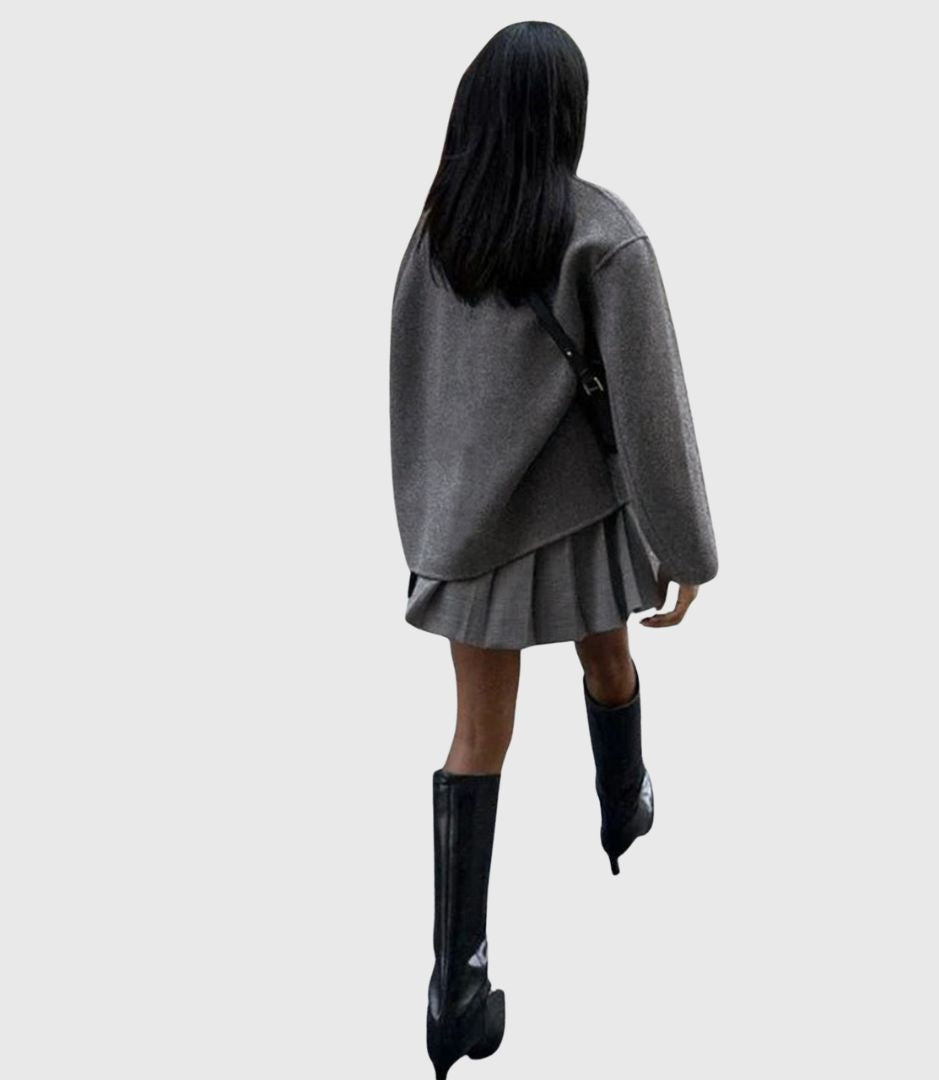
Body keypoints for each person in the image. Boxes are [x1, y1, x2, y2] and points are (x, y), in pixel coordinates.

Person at [389, 21, 718, 1079]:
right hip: (577, 519)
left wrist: (434, 526)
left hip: (474, 536)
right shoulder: (604, 235)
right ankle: (623, 807)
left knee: (476, 736)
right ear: (567, 114)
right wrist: (687, 547)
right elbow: (653, 410)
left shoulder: (439, 234)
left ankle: (454, 989)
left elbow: (411, 389)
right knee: (609, 662)